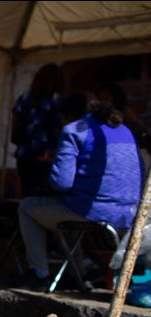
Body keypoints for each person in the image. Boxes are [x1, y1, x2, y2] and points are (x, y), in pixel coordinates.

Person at [17, 97, 144, 290]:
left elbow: (61, 183)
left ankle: (39, 273)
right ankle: (78, 274)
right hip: (130, 213)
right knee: (69, 214)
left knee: (26, 207)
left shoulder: (74, 130)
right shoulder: (126, 131)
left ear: (67, 116)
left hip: (92, 212)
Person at [12, 64, 63, 197]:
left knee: (27, 195)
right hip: (47, 157)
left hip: (25, 155)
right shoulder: (58, 101)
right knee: (45, 198)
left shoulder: (24, 98)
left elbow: (15, 130)